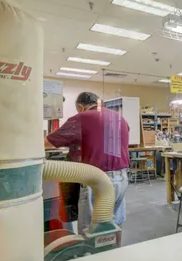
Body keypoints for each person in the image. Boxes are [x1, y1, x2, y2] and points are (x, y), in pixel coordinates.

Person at [45, 92, 130, 239]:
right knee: (114, 223)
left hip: (97, 180)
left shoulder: (82, 118)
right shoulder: (119, 117)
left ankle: (92, 260)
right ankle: (116, 254)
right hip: (121, 178)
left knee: (90, 230)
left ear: (80, 106)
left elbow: (48, 143)